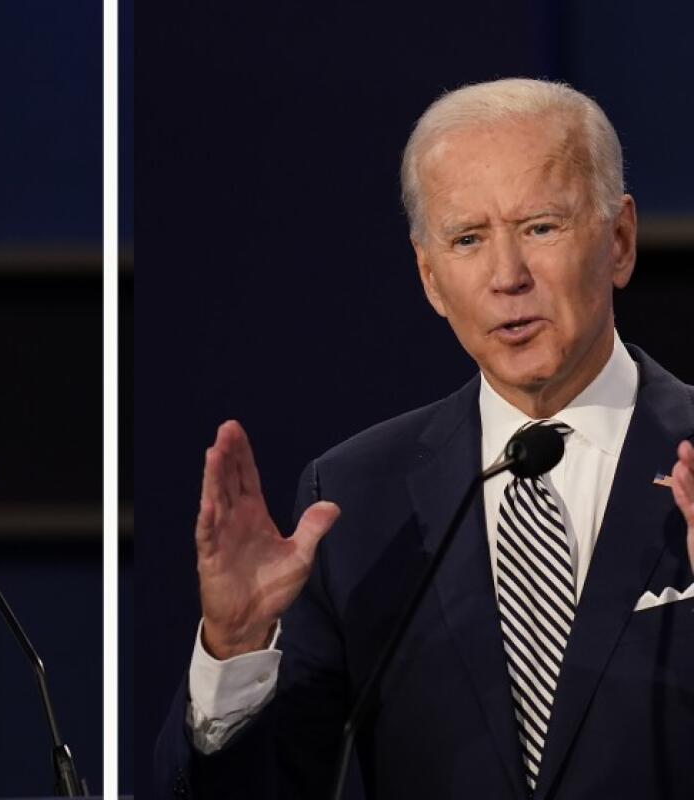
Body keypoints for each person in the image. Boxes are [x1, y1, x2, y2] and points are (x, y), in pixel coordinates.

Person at [156, 78, 694, 799]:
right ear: (431, 278)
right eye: (468, 239)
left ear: (619, 241)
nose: (508, 276)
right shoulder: (355, 502)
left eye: (541, 226)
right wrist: (236, 651)